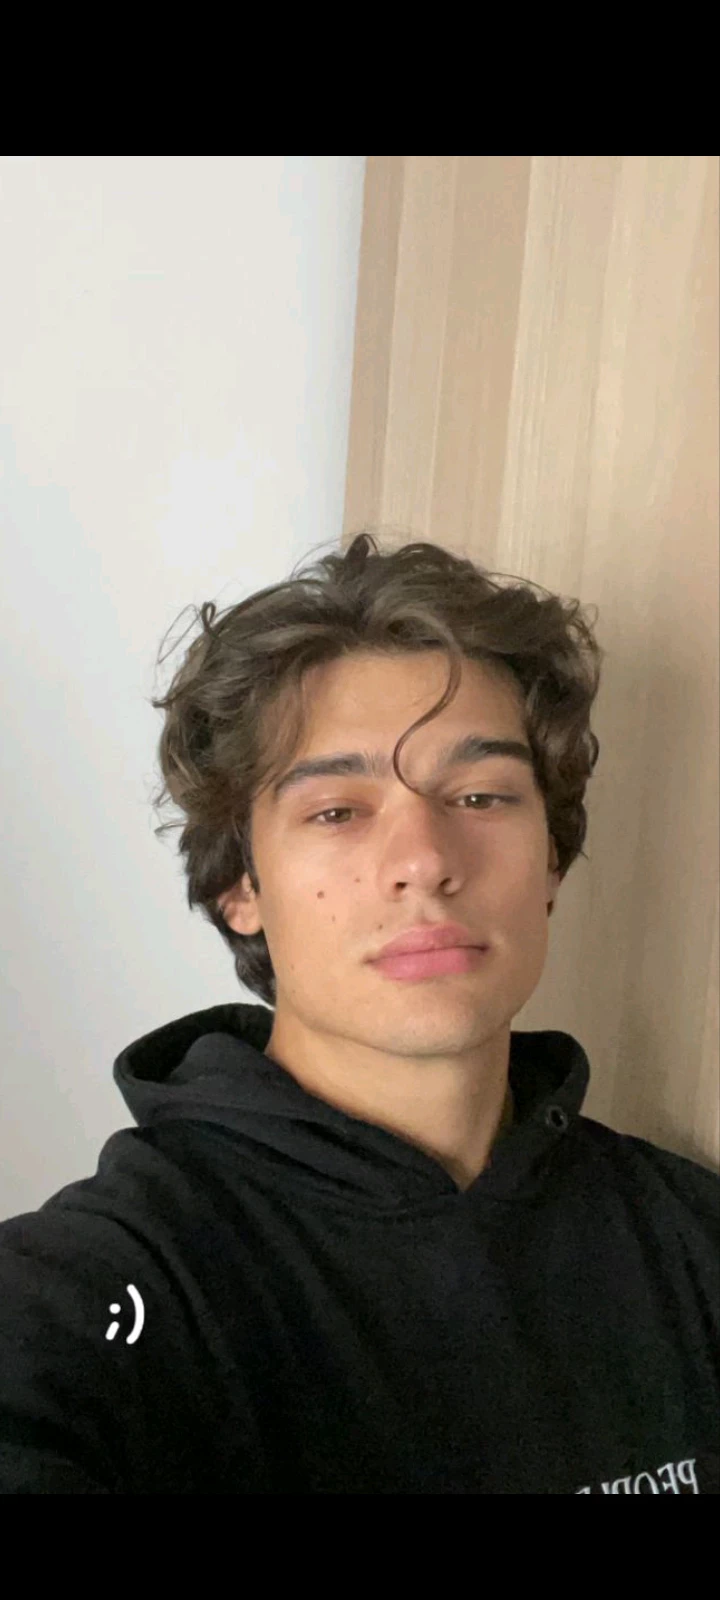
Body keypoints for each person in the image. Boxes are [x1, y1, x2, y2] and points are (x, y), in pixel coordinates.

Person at [1, 531, 718, 1494]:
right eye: (337, 811)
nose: (424, 859)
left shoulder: (688, 1236)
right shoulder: (108, 1284)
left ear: (551, 862)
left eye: (481, 794)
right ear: (239, 887)